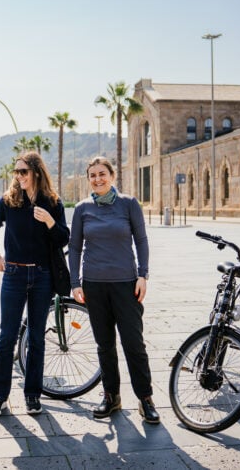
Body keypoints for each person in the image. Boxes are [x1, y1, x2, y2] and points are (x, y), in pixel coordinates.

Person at [68, 156, 159, 424]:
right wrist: (75, 282)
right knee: (104, 345)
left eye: (102, 174)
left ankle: (145, 399)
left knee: (134, 344)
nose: (97, 179)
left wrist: (143, 275)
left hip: (126, 284)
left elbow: (141, 240)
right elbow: (75, 247)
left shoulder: (129, 204)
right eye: (93, 175)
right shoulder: (82, 209)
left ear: (112, 176)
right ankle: (111, 397)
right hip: (94, 285)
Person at [0, 151, 69, 417]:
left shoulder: (52, 202)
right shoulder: (9, 201)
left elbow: (63, 238)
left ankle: (32, 396)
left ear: (36, 173)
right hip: (14, 276)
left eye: (23, 171)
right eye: (16, 172)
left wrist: (50, 221)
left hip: (43, 277)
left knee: (36, 339)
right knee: (6, 337)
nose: (18, 176)